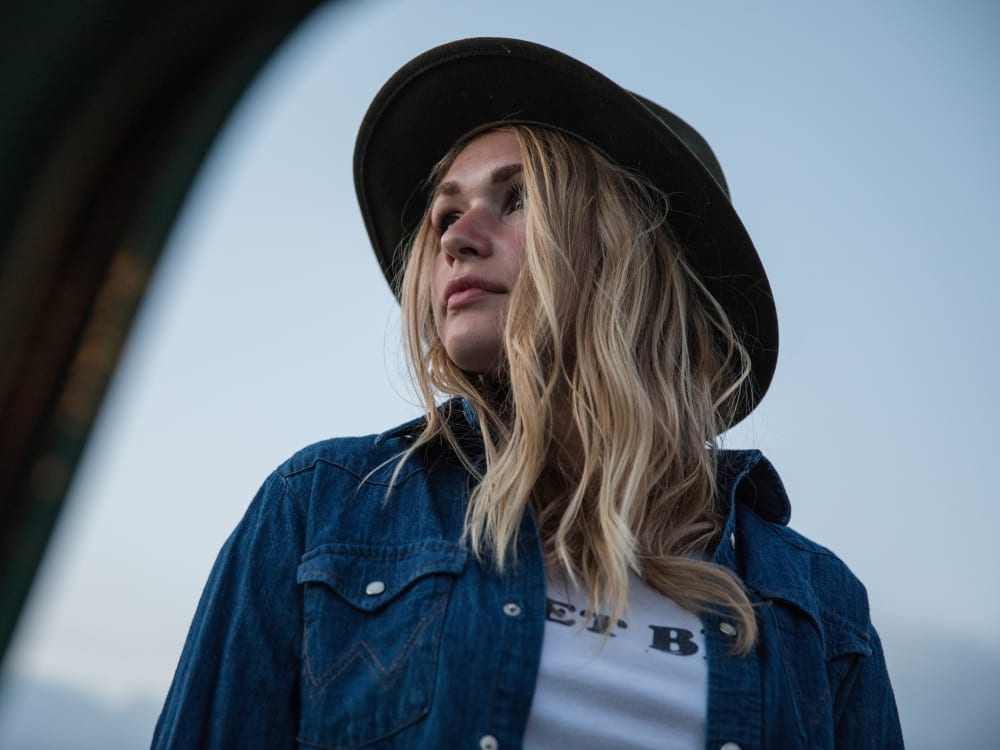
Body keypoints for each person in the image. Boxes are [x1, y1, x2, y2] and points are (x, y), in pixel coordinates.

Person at [152, 37, 903, 749]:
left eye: (516, 199)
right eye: (446, 213)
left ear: (633, 257)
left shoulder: (823, 613)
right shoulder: (320, 513)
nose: (455, 237)